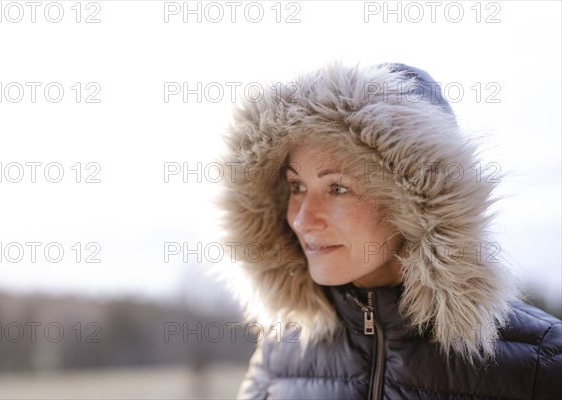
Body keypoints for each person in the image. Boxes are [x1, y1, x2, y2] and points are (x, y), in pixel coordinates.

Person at [219, 62, 562, 399]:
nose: (302, 219)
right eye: (296, 186)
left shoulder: (541, 361)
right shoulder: (281, 353)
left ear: (417, 202)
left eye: (337, 188)